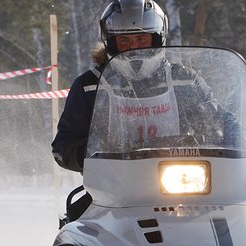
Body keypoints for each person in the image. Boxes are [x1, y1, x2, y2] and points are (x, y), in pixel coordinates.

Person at [51, 0, 168, 172]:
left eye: (141, 39)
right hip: (111, 180)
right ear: (111, 42)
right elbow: (63, 147)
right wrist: (95, 151)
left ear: (157, 38)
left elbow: (211, 121)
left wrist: (203, 136)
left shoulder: (184, 81)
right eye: (124, 40)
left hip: (179, 178)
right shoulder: (90, 85)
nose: (133, 47)